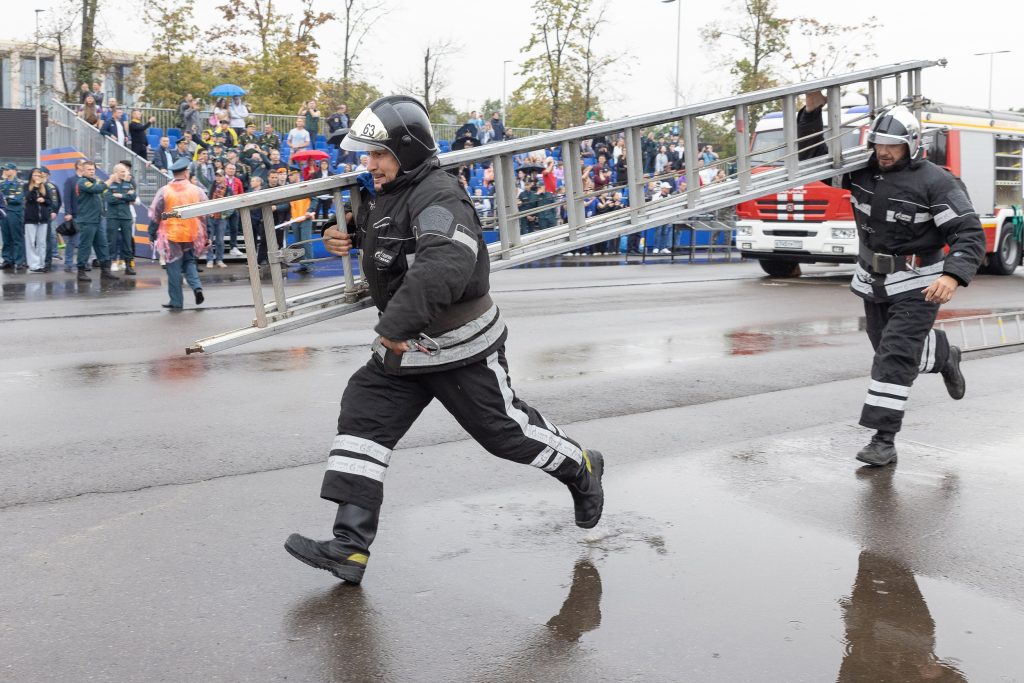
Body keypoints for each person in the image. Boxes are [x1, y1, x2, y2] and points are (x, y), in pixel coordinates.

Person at [283, 95, 605, 585]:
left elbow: (444, 264)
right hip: (406, 348)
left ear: (407, 151)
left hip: (459, 347)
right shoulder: (393, 191)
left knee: (506, 434)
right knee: (363, 415)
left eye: (378, 155)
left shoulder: (441, 197)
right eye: (367, 156)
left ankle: (580, 465)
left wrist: (393, 328)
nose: (369, 166)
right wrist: (344, 230)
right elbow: (387, 228)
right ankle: (350, 546)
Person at [799, 92, 985, 467]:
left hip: (921, 283)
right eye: (879, 144)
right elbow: (812, 160)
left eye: (893, 146)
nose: (884, 152)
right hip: (874, 280)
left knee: (894, 359)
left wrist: (953, 276)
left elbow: (969, 234)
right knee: (887, 350)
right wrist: (812, 111)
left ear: (911, 145)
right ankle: (943, 354)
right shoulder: (862, 170)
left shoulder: (938, 183)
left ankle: (883, 440)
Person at [149, 157, 208, 309]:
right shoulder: (197, 191)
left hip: (171, 234)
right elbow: (205, 213)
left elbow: (156, 213)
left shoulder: (165, 191)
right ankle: (196, 287)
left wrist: (151, 232)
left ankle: (176, 301)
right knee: (189, 262)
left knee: (173, 267)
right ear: (186, 172)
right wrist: (207, 234)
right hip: (191, 232)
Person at [74, 161, 119, 282]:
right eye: (88, 169)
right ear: (82, 171)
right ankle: (81, 271)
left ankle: (105, 271)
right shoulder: (82, 182)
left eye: (93, 169)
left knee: (103, 245)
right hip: (87, 220)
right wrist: (110, 180)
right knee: (85, 246)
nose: (92, 171)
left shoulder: (95, 181)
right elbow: (97, 189)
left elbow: (102, 191)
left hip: (98, 219)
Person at [105, 162, 138, 274]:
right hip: (113, 217)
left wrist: (120, 196)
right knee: (111, 241)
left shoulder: (128, 184)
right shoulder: (109, 185)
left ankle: (128, 265)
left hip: (125, 217)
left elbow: (133, 196)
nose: (125, 173)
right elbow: (109, 199)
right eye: (122, 171)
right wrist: (125, 197)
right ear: (116, 172)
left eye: (125, 171)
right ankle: (111, 262)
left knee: (127, 241)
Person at [23, 168, 51, 273]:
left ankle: (41, 264)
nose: (37, 177)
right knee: (30, 242)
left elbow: (49, 201)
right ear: (31, 176)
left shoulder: (45, 187)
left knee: (42, 242)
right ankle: (33, 265)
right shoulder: (26, 187)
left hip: (43, 219)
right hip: (31, 218)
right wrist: (35, 187)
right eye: (35, 175)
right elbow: (28, 197)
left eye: (39, 176)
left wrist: (44, 200)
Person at [0, 163, 26, 271]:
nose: (5, 171)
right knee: (6, 238)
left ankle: (19, 261)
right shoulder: (2, 183)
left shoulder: (20, 183)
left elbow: (18, 198)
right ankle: (7, 260)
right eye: (4, 169)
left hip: (15, 212)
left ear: (14, 171)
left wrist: (5, 197)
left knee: (17, 237)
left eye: (7, 169)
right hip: (4, 213)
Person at [40, 167, 62, 272]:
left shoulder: (50, 186)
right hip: (37, 215)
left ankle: (52, 255)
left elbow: (55, 201)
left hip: (48, 214)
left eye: (42, 174)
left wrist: (54, 211)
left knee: (50, 235)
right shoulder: (36, 186)